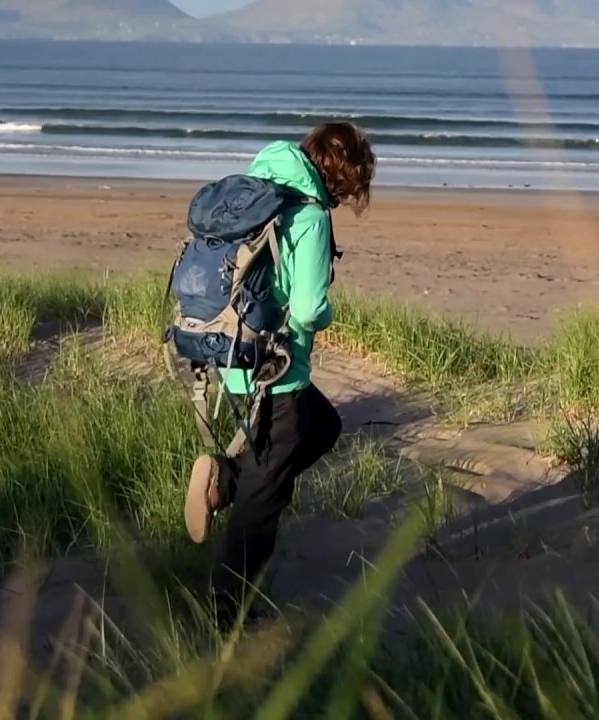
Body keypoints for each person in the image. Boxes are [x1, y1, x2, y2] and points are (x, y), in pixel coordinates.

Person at [181, 121, 376, 630]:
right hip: (278, 373)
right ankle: (225, 615)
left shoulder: (259, 185)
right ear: (342, 173)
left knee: (325, 427)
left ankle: (229, 477)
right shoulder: (308, 215)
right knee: (262, 508)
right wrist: (329, 315)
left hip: (233, 356)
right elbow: (309, 309)